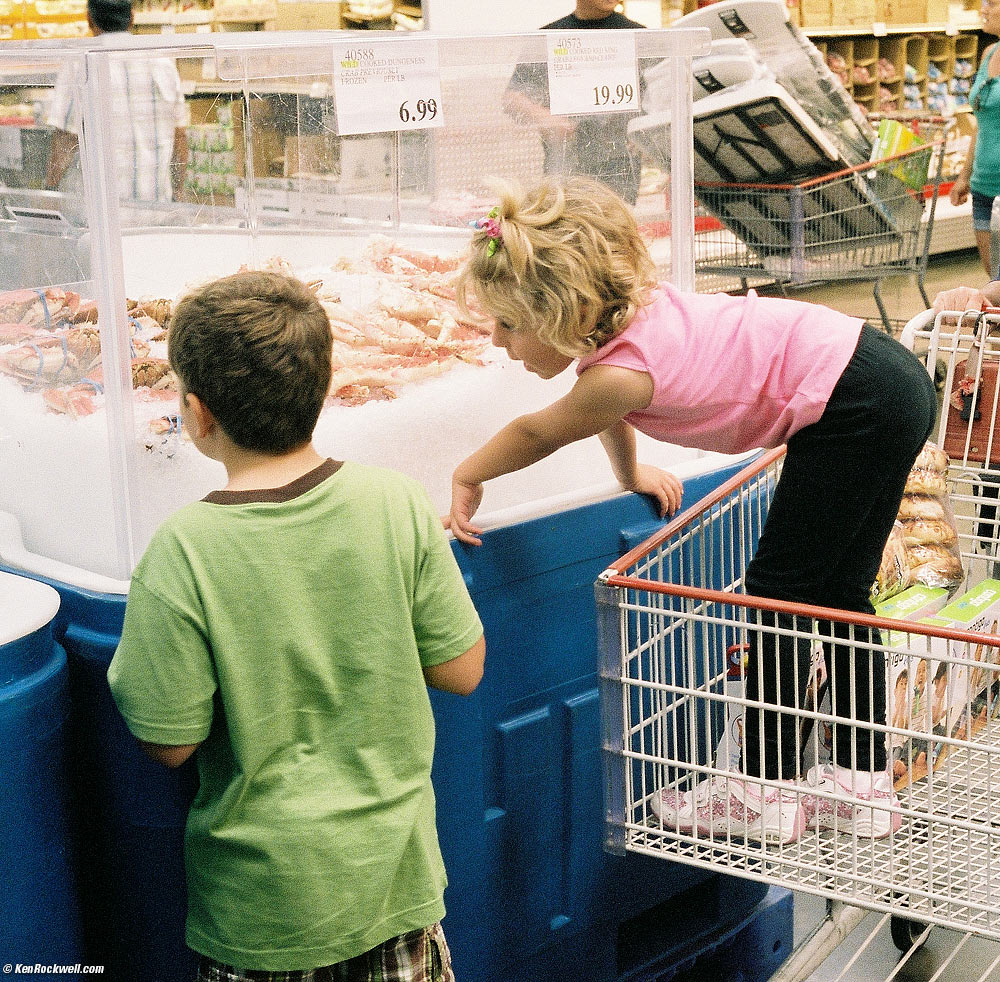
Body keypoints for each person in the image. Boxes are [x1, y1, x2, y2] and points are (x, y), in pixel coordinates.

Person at [448, 176, 937, 843]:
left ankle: (764, 789)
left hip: (853, 404)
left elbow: (543, 429)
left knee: (779, 594)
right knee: (838, 591)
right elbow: (604, 405)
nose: (500, 342)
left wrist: (468, 474)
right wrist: (632, 471)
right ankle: (860, 782)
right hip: (884, 377)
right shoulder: (625, 331)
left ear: (563, 311)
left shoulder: (618, 375)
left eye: (510, 325)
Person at [107, 271, 485, 980]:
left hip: (261, 913)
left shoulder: (183, 549)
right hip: (394, 888)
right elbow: (462, 671)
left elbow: (170, 742)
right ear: (323, 385)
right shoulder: (397, 504)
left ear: (197, 412)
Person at [502, 0, 645, 204]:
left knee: (613, 230)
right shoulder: (549, 37)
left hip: (619, 168)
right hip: (563, 164)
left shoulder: (640, 36)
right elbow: (512, 99)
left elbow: (657, 98)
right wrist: (547, 119)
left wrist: (644, 132)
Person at [45, 0, 188, 202]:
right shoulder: (163, 63)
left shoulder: (80, 63)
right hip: (156, 210)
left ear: (89, 19)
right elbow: (180, 135)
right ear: (132, 18)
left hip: (100, 215)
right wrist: (178, 192)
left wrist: (50, 191)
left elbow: (66, 139)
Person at [948, 0, 1000, 277]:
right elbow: (981, 124)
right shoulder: (989, 53)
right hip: (983, 187)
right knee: (994, 283)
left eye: (991, 2)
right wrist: (965, 176)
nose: (983, 8)